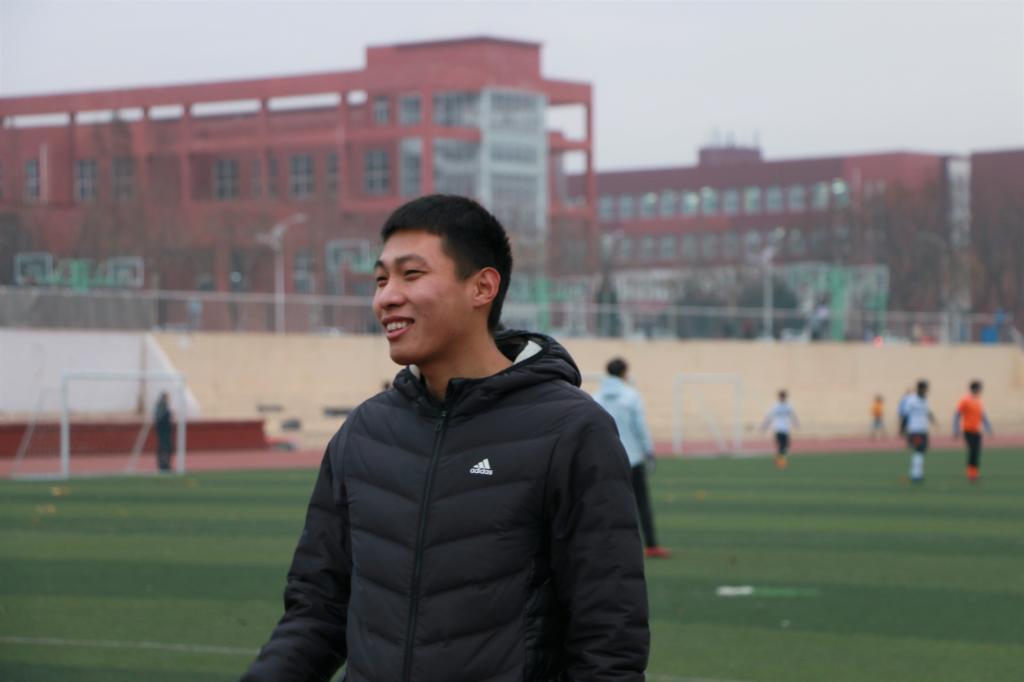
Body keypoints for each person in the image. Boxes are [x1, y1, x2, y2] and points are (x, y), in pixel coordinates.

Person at [243, 195, 649, 682]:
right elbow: (317, 611)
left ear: (482, 287)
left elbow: (609, 641)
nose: (387, 297)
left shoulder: (572, 431)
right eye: (381, 280)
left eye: (411, 275)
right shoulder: (364, 431)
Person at [594, 357, 671, 559]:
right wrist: (649, 452)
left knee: (607, 504)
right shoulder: (631, 396)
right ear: (624, 373)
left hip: (606, 458)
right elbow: (640, 428)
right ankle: (651, 545)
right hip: (632, 459)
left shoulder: (596, 397)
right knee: (641, 503)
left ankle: (607, 546)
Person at [953, 380, 993, 483]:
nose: (981, 390)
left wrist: (988, 427)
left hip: (977, 431)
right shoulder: (965, 400)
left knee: (976, 452)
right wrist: (956, 429)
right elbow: (957, 414)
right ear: (974, 388)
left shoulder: (978, 400)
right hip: (968, 430)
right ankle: (971, 474)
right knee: (972, 451)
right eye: (979, 388)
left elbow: (982, 415)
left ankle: (974, 473)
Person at [903, 380, 936, 483]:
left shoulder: (925, 400)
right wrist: (902, 428)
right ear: (920, 388)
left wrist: (933, 420)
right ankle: (915, 475)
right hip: (915, 430)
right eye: (925, 388)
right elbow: (905, 414)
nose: (926, 390)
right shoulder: (911, 400)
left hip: (923, 430)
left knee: (921, 451)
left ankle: (918, 473)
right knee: (918, 450)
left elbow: (928, 412)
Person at [761, 390, 799, 469]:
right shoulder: (775, 406)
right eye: (781, 396)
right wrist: (764, 426)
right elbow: (769, 417)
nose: (782, 398)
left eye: (783, 396)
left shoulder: (788, 406)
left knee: (785, 447)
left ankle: (778, 460)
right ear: (779, 397)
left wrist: (796, 423)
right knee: (782, 446)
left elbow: (792, 415)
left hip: (785, 429)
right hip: (778, 429)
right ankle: (781, 463)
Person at [153, 392, 173, 472]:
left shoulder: (163, 406)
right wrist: (168, 414)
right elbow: (160, 419)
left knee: (167, 448)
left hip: (165, 431)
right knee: (164, 448)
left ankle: (165, 465)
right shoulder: (161, 407)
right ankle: (163, 465)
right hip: (163, 432)